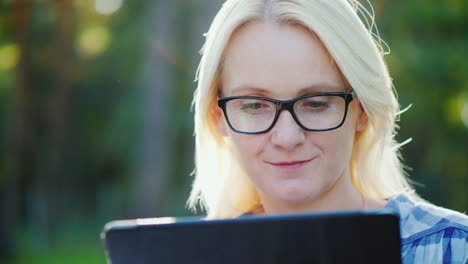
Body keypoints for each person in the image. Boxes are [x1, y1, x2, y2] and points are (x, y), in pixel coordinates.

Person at [187, 0, 468, 263]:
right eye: (254, 105)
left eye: (316, 104)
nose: (287, 138)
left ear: (361, 111)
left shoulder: (454, 250)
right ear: (218, 116)